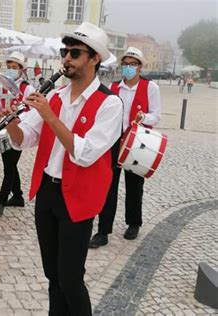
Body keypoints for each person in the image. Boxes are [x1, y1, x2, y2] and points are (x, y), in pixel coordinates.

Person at [3, 22, 122, 315]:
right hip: (47, 192)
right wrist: (13, 122)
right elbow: (25, 140)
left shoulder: (110, 104)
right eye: (64, 51)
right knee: (52, 275)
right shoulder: (55, 96)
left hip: (78, 198)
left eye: (75, 53)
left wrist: (50, 116)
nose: (66, 58)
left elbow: (84, 153)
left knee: (70, 279)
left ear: (94, 59)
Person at [89, 47, 161, 249]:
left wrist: (144, 118)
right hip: (114, 141)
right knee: (108, 186)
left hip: (137, 141)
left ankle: (133, 222)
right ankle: (103, 231)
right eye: (126, 64)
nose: (129, 68)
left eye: (133, 64)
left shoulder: (150, 87)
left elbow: (156, 115)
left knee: (134, 185)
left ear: (140, 67)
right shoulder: (113, 87)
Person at [0, 51, 35, 218]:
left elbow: (31, 110)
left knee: (9, 165)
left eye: (14, 67)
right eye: (8, 67)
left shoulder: (27, 88)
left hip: (18, 130)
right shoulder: (4, 85)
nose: (10, 70)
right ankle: (17, 196)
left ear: (21, 69)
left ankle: (1, 201)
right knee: (9, 164)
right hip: (4, 128)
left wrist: (16, 118)